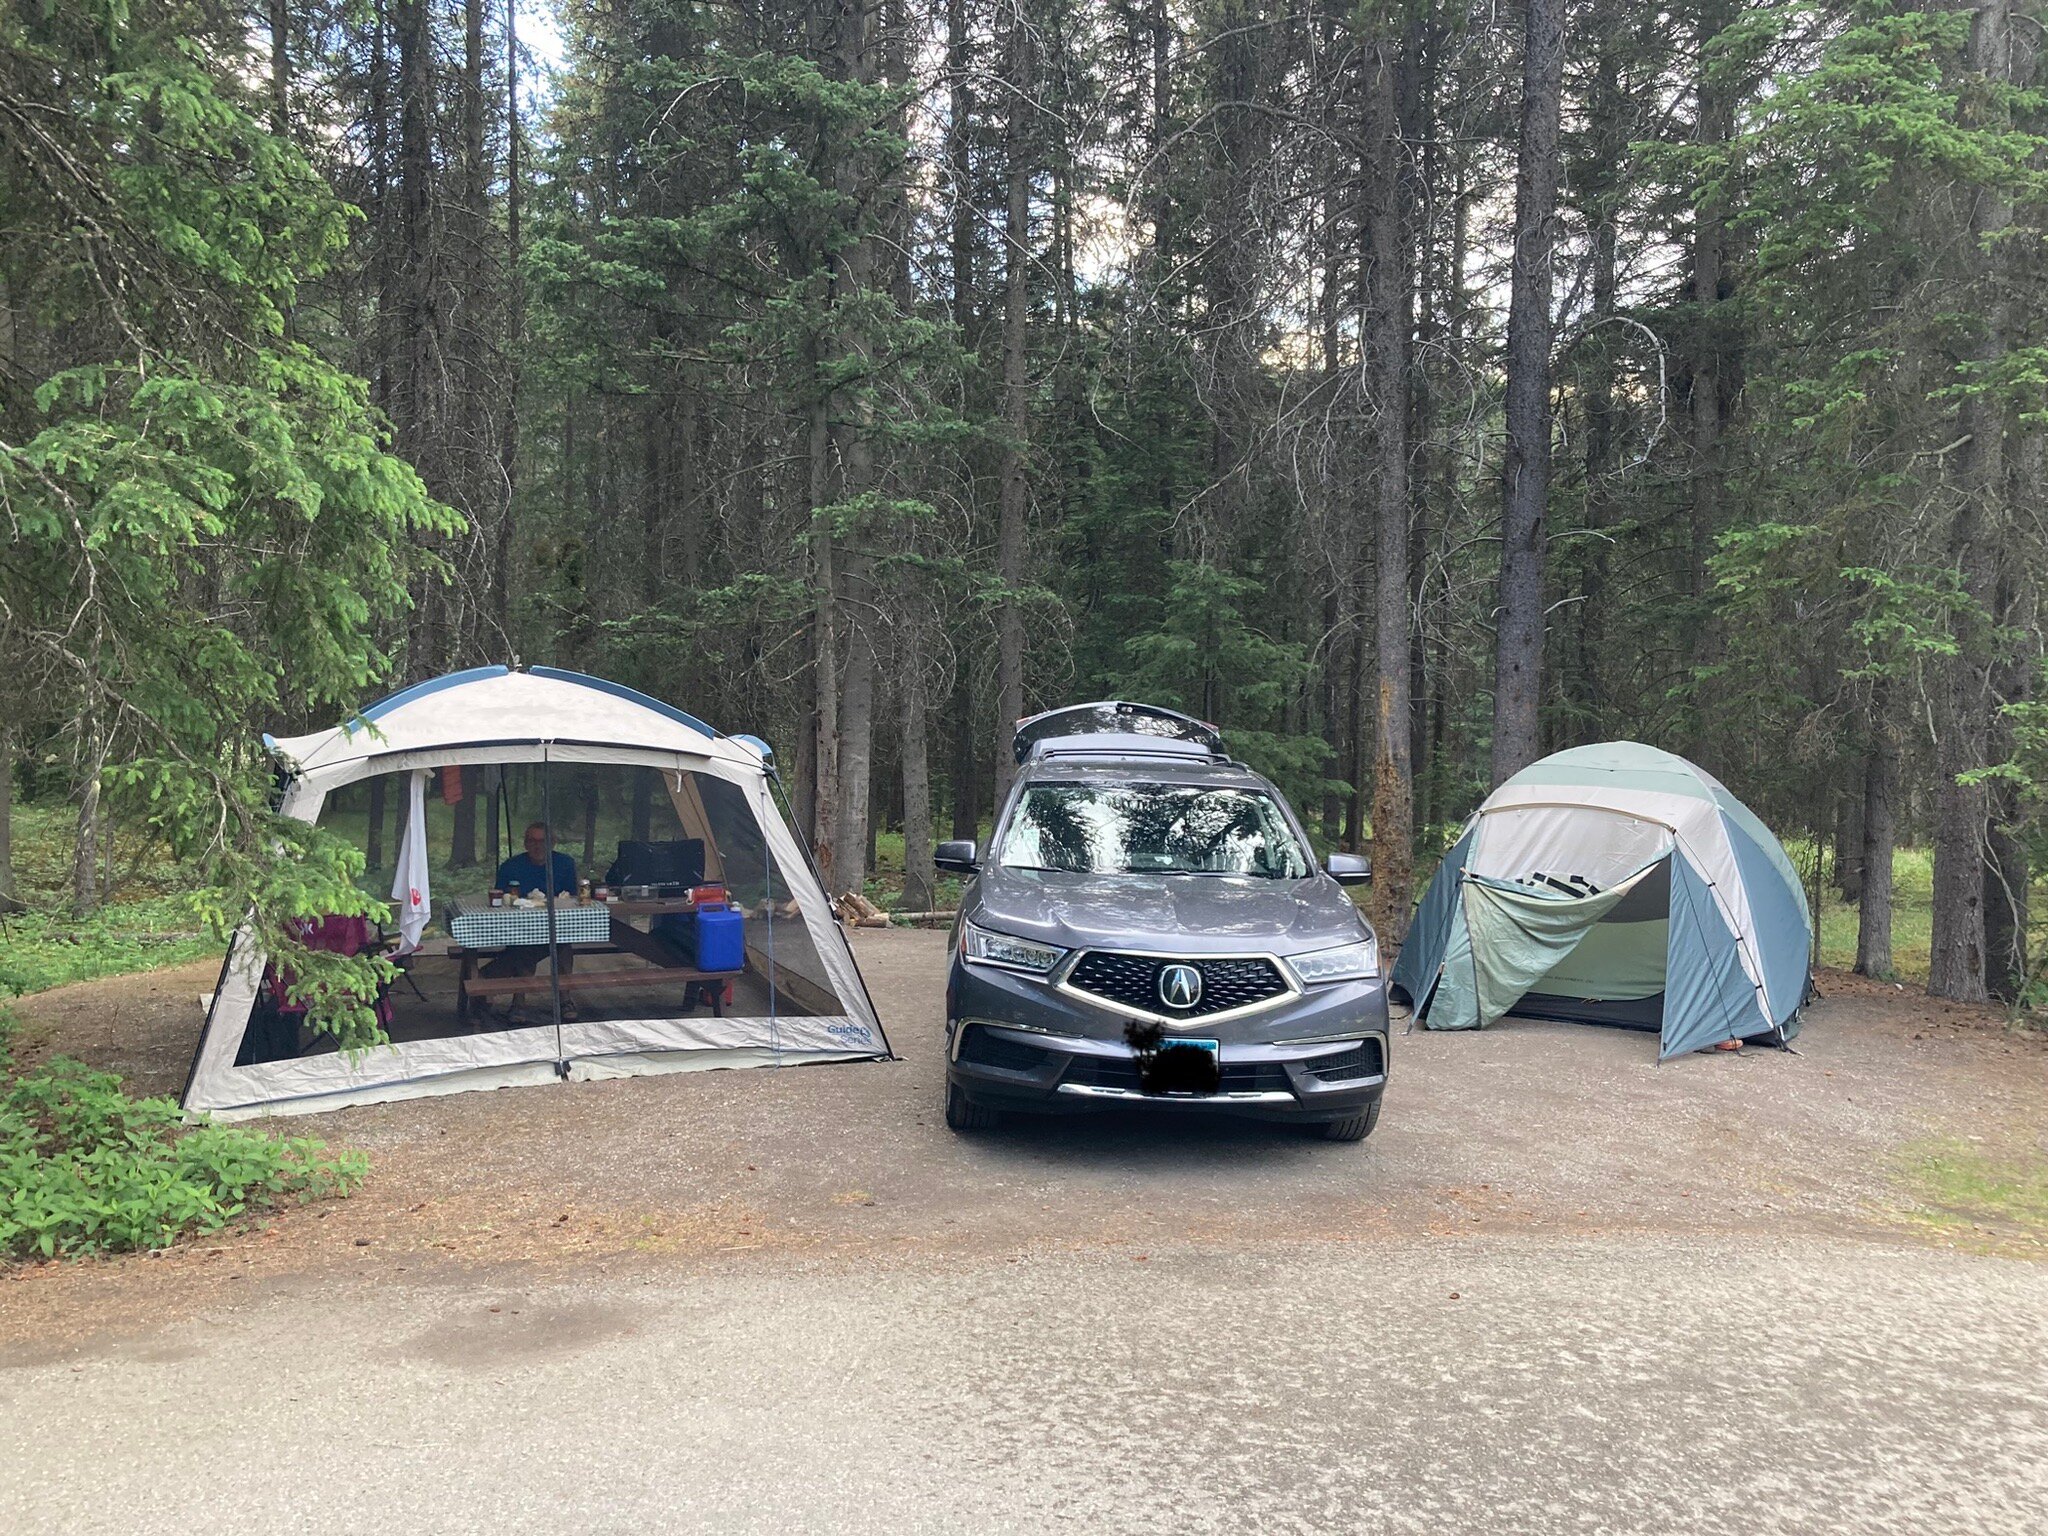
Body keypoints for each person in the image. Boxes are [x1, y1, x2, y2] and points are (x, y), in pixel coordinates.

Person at [480, 822, 580, 1022]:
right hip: (520, 927)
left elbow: (574, 896)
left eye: (543, 841)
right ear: (525, 844)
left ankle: (565, 999)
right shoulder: (511, 866)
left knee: (564, 946)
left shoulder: (565, 864)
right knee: (523, 948)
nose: (537, 846)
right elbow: (501, 898)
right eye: (532, 841)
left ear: (552, 843)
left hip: (558, 924)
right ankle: (519, 1002)